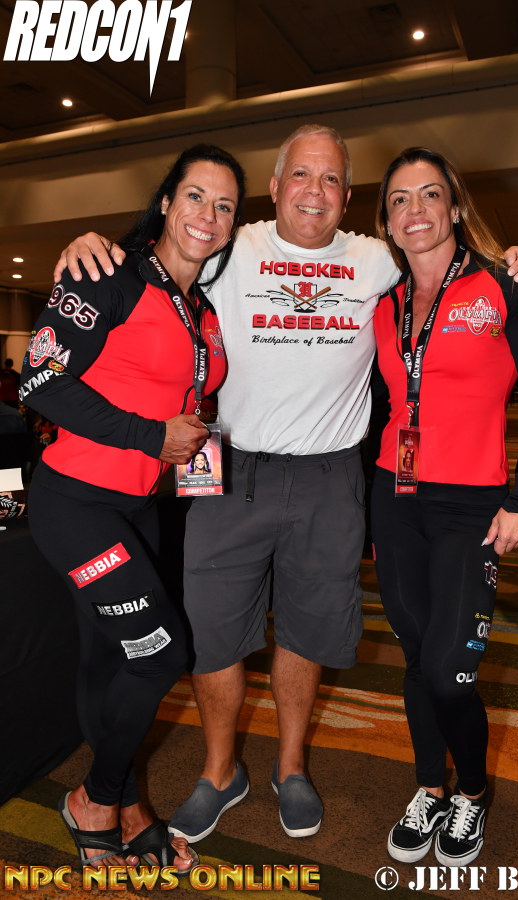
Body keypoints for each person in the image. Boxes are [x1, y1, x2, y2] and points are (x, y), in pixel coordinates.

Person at [54, 125, 518, 843]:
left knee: (309, 625)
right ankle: (219, 771)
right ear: (275, 185)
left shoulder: (376, 258)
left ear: (348, 197)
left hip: (331, 473)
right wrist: (89, 245)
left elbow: (447, 260)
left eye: (330, 180)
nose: (313, 192)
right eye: (300, 175)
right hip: (224, 464)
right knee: (212, 633)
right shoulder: (228, 246)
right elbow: (160, 252)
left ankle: (291, 767)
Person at [23, 143, 245, 870]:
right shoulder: (109, 273)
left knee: (107, 658)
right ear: (166, 202)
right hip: (74, 503)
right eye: (196, 196)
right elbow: (39, 382)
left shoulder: (202, 310)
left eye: (225, 205)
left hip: (141, 507)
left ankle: (126, 805)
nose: (208, 214)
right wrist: (152, 435)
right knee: (161, 653)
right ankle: (94, 799)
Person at [370, 147, 518, 867]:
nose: (415, 210)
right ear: (386, 220)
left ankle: (473, 791)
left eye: (430, 194)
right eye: (399, 199)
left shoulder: (509, 280)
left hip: (474, 505)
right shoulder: (383, 300)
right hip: (395, 498)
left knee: (451, 669)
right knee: (415, 654)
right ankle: (430, 785)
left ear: (454, 206)